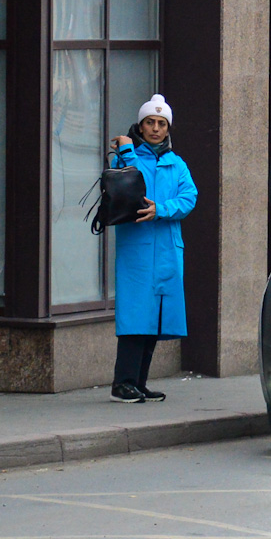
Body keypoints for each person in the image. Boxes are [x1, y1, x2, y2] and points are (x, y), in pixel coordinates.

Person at [107, 94, 197, 404]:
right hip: (138, 250)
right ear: (140, 126)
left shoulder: (176, 163)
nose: (156, 128)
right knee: (136, 317)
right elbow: (129, 183)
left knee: (154, 319)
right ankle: (123, 383)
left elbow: (189, 199)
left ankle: (138, 382)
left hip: (167, 251)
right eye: (150, 123)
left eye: (161, 123)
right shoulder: (126, 155)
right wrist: (128, 150)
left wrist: (161, 208)